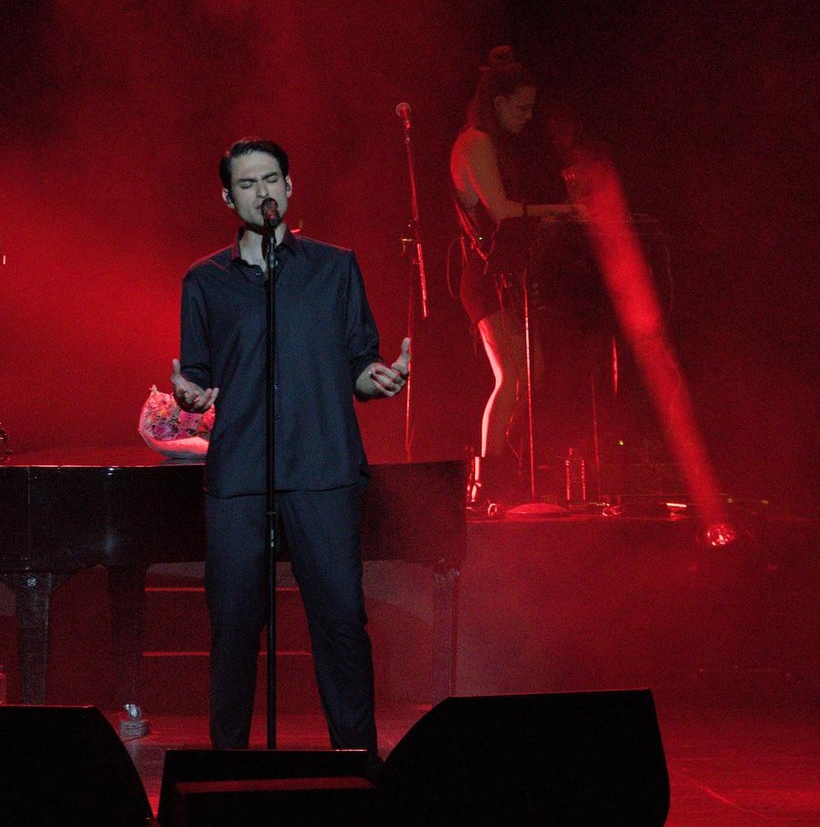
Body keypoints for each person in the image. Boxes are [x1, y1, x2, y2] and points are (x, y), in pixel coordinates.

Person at [170, 138, 410, 753]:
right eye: (247, 184)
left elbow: (360, 362)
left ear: (290, 187)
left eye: (271, 179)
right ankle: (227, 767)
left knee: (340, 620)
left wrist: (377, 378)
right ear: (228, 198)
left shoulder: (335, 267)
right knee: (233, 627)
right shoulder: (205, 281)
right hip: (241, 473)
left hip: (322, 466)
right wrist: (190, 396)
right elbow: (195, 374)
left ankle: (357, 763)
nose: (263, 192)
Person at [450, 45, 596, 506]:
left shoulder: (491, 143)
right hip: (485, 274)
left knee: (530, 374)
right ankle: (486, 482)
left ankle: (503, 464)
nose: (529, 117)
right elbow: (502, 211)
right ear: (498, 103)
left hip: (504, 274)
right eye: (522, 108)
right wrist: (567, 210)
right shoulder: (475, 142)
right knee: (512, 377)